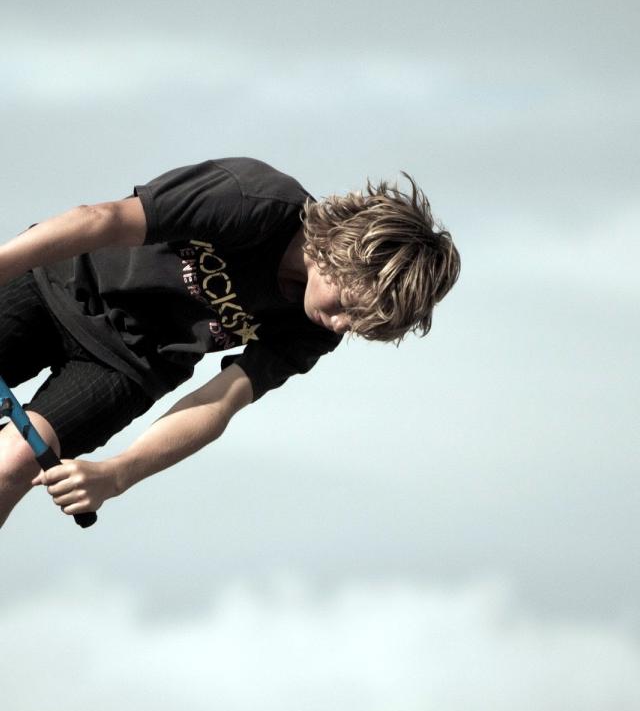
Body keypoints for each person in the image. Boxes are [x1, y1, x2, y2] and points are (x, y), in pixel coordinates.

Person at [0, 157, 460, 528]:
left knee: (15, 461)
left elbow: (219, 403)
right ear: (343, 253)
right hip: (58, 284)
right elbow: (103, 220)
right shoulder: (254, 199)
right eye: (347, 306)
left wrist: (116, 474)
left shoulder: (312, 330)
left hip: (126, 367)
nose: (340, 325)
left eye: (357, 325)